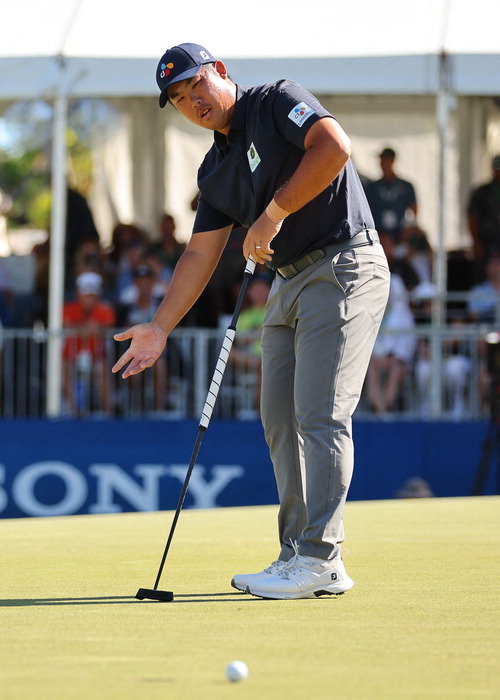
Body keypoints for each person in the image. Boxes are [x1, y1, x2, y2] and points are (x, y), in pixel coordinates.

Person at [112, 43, 390, 600]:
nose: (192, 101)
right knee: (279, 419)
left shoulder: (275, 101)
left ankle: (322, 558)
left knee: (320, 415)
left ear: (219, 72)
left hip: (344, 265)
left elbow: (334, 146)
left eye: (196, 86)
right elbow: (198, 254)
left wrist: (272, 215)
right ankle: (295, 555)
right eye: (178, 97)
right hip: (288, 282)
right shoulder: (214, 169)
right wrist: (160, 326)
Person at [63, 272, 116, 416]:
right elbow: (68, 326)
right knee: (63, 370)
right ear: (79, 294)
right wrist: (87, 328)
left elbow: (107, 327)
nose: (89, 299)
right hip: (71, 355)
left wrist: (84, 329)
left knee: (103, 370)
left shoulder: (104, 309)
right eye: (86, 295)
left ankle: (108, 411)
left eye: (92, 295)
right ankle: (75, 410)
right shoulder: (68, 308)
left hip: (97, 354)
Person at [365, 147, 417, 244]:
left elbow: (413, 211)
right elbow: (367, 211)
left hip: (401, 234)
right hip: (379, 234)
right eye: (381, 160)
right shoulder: (372, 187)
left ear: (392, 161)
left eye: (385, 160)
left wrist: (407, 230)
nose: (382, 163)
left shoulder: (405, 186)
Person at [467, 155, 500, 278]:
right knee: (484, 274)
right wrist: (476, 243)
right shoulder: (482, 192)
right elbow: (472, 218)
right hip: (486, 241)